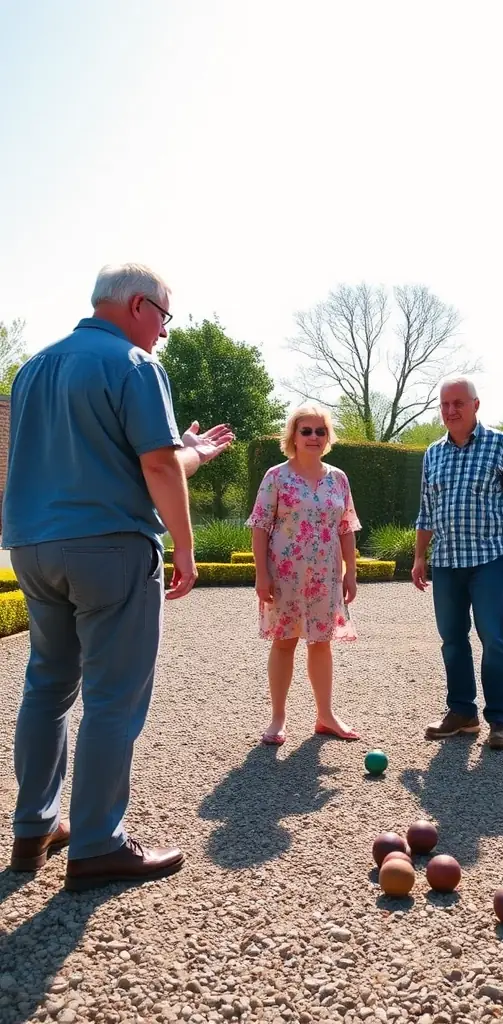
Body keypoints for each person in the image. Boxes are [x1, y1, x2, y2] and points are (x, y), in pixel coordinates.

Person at [4, 263, 233, 889]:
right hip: (109, 546)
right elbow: (156, 469)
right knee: (112, 696)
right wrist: (184, 548)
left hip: (33, 546)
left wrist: (192, 450)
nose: (163, 332)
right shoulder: (134, 366)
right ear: (138, 306)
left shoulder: (33, 369)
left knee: (48, 686)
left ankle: (35, 828)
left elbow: (122, 456)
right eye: (163, 316)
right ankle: (99, 845)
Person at [412, 377, 503, 749]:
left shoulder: (499, 445)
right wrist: (420, 556)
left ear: (476, 405)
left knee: (493, 638)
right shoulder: (433, 453)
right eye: (445, 404)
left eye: (458, 404)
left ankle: (499, 720)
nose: (450, 411)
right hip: (447, 561)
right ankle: (462, 712)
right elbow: (426, 511)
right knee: (451, 639)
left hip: (487, 561)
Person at [248, 403, 361, 745]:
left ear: (328, 437)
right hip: (284, 573)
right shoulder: (276, 476)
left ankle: (325, 716)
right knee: (284, 643)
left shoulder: (338, 478)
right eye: (306, 430)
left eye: (320, 431)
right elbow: (260, 526)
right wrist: (261, 575)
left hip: (325, 575)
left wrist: (350, 572)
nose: (313, 437)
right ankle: (278, 718)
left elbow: (346, 527)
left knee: (321, 643)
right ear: (293, 436)